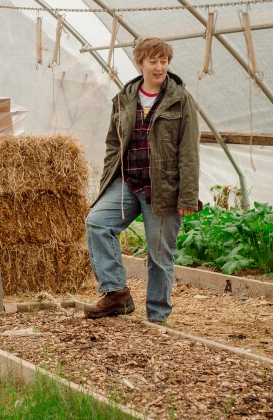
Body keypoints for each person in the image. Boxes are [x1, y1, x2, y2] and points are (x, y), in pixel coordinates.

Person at [83, 37, 199, 322]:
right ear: (140, 64)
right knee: (97, 222)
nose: (159, 67)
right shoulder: (124, 98)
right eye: (153, 61)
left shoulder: (180, 100)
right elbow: (114, 144)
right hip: (128, 182)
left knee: (159, 256)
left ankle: (157, 317)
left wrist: (187, 196)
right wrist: (108, 184)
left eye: (164, 61)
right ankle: (116, 294)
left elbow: (189, 152)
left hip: (163, 188)